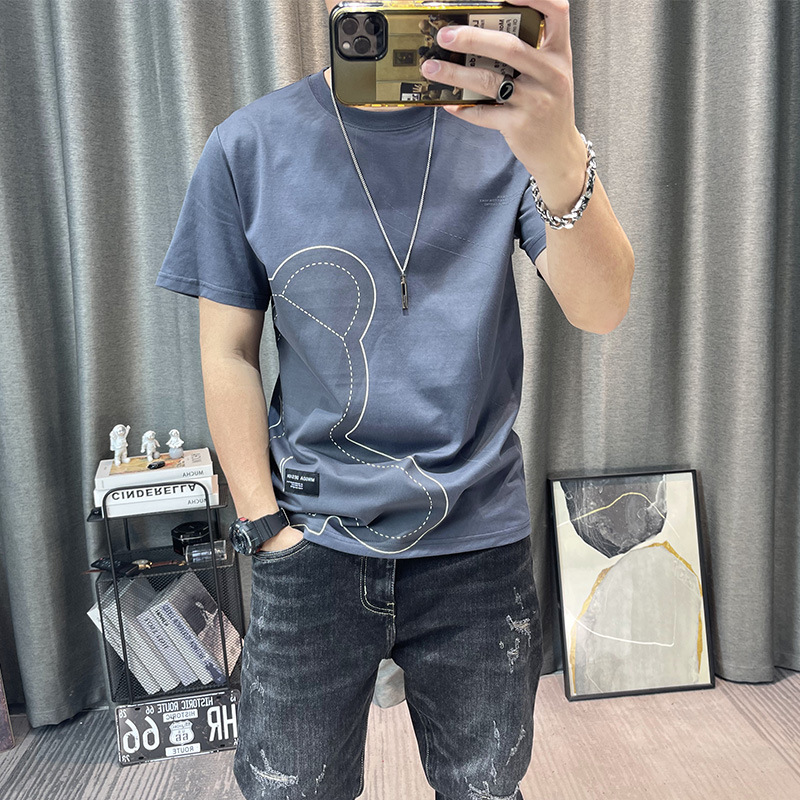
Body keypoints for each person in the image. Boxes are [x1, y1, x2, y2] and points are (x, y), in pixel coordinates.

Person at [155, 1, 634, 798]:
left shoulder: (510, 132)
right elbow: (226, 352)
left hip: (476, 543)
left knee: (486, 788)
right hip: (309, 541)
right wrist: (265, 528)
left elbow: (602, 308)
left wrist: (560, 154)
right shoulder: (248, 145)